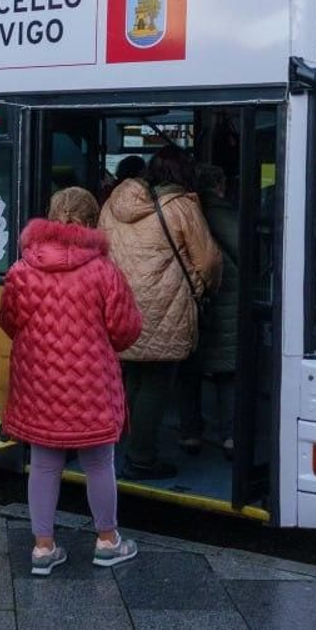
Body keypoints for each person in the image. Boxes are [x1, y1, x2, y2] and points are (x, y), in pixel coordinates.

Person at [0, 187, 143, 574]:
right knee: (99, 463)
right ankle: (107, 541)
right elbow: (126, 330)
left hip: (38, 384)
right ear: (90, 221)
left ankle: (43, 549)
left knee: (44, 465)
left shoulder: (22, 269)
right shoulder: (104, 272)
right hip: (91, 385)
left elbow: (8, 321)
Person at [99, 145, 223, 481]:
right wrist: (201, 287)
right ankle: (140, 458)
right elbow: (209, 261)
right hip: (165, 309)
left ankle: (117, 450)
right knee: (156, 382)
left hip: (120, 307)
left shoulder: (113, 203)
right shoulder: (181, 207)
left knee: (133, 379)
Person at [180, 163, 241, 458]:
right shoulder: (221, 213)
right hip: (223, 299)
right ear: (219, 185)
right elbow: (242, 249)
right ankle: (229, 435)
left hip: (191, 299)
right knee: (225, 373)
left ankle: (191, 433)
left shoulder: (187, 212)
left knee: (189, 370)